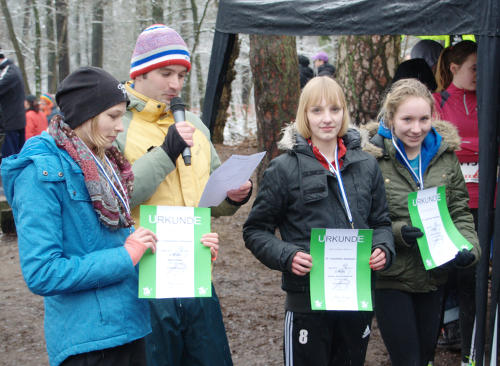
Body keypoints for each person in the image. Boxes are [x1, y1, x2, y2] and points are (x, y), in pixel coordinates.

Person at [1, 66, 158, 366]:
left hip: (130, 326)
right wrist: (126, 256)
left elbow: (120, 246)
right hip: (87, 344)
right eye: (113, 116)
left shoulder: (106, 162)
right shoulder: (40, 172)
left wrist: (190, 257)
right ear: (87, 114)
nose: (120, 126)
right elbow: (42, 272)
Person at [116, 24, 252, 366]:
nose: (175, 84)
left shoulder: (196, 124)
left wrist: (234, 196)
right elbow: (117, 198)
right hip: (143, 282)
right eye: (165, 73)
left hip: (196, 273)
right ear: (140, 73)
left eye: (181, 75)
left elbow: (211, 200)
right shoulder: (117, 124)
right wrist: (167, 151)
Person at [243, 76, 394, 366]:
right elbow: (255, 231)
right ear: (304, 115)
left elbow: (381, 222)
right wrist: (287, 255)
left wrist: (383, 248)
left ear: (344, 113)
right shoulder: (284, 169)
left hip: (356, 297)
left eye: (335, 109)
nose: (327, 119)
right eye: (317, 110)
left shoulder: (366, 164)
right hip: (307, 303)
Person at [363, 78, 480, 366]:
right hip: (391, 276)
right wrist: (399, 233)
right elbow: (360, 221)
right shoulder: (371, 159)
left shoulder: (445, 155)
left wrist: (470, 249)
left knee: (426, 356)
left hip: (434, 275)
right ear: (390, 119)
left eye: (424, 119)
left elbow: (459, 211)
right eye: (407, 119)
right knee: (408, 360)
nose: (417, 128)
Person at [433, 39, 479, 364]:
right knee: (440, 277)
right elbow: (438, 143)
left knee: (472, 279)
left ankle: (471, 353)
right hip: (448, 202)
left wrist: (463, 145)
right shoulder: (436, 102)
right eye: (475, 68)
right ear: (453, 68)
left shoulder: (489, 98)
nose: (481, 75)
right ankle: (430, 346)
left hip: (485, 200)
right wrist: (478, 146)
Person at [0, 47, 26, 158]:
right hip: (14, 123)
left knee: (10, 161)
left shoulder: (9, 72)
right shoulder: (12, 70)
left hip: (10, 124)